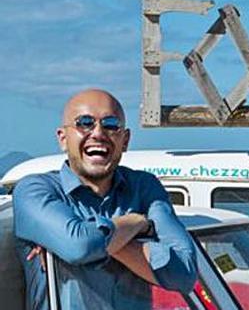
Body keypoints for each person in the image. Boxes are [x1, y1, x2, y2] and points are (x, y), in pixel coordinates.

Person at [13, 88, 197, 310]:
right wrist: (137, 224)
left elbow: (185, 274)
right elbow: (79, 246)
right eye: (84, 123)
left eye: (110, 124)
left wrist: (83, 239)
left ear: (125, 140)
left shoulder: (144, 187)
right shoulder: (34, 190)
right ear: (63, 138)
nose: (98, 133)